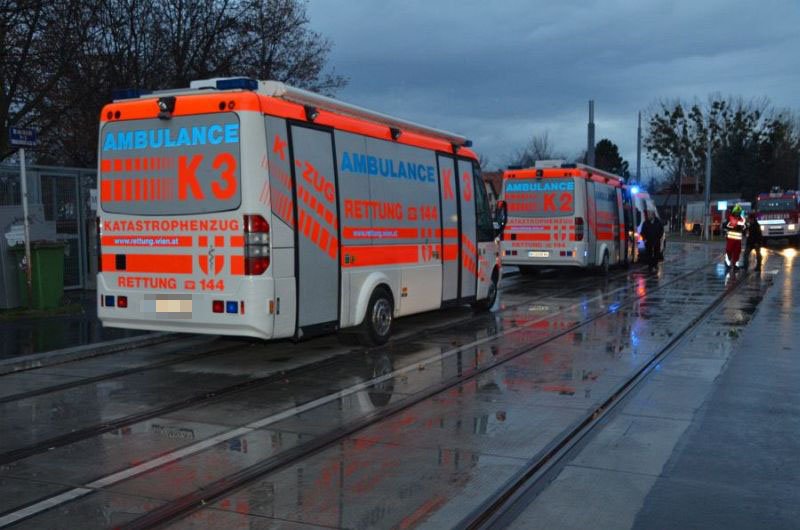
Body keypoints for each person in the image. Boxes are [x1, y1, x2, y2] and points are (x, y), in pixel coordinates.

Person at [724, 204, 746, 272]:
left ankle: (735, 265)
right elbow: (726, 225)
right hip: (731, 239)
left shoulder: (741, 219)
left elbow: (744, 227)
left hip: (738, 240)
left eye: (739, 212)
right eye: (736, 212)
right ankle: (727, 263)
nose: (737, 214)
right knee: (729, 251)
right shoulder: (730, 218)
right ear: (734, 212)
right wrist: (735, 225)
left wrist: (742, 227)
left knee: (737, 252)